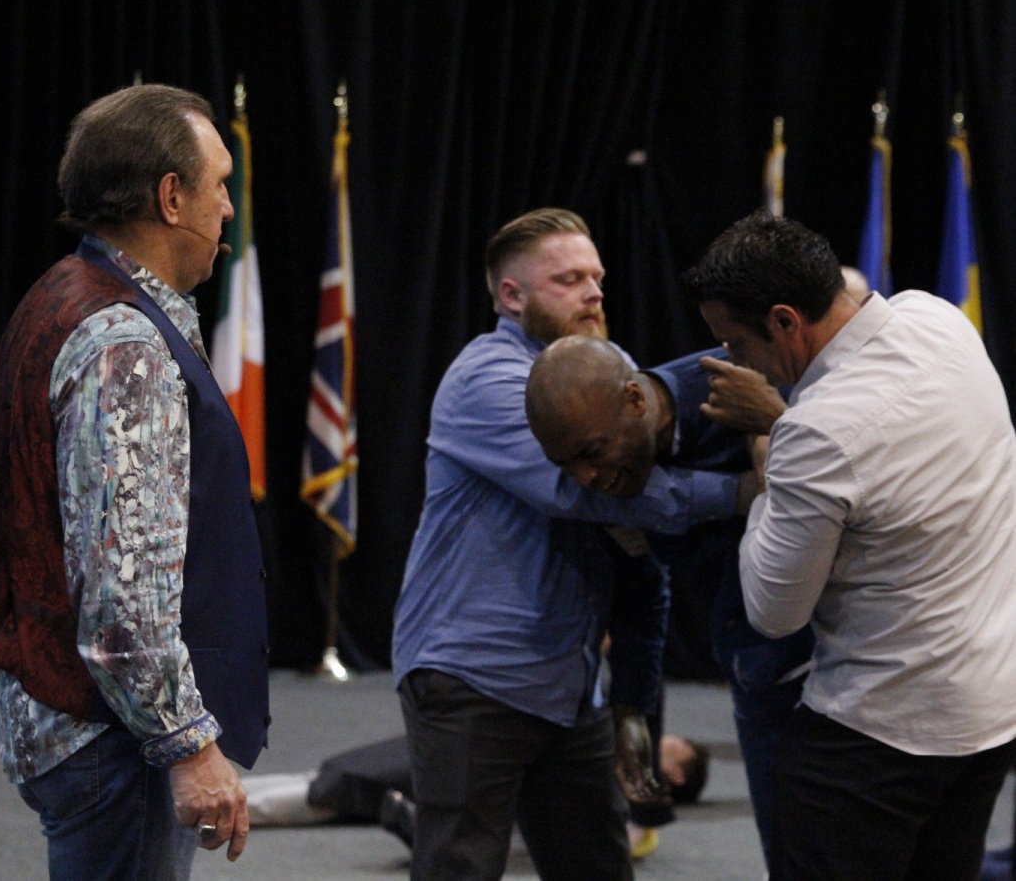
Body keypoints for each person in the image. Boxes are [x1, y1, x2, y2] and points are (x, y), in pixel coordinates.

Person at [391, 207, 750, 880]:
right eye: (568, 280)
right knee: (458, 869)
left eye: (597, 278)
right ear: (511, 295)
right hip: (474, 675)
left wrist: (632, 702)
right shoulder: (488, 380)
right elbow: (593, 492)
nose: (593, 293)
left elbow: (638, 558)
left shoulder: (606, 372)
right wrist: (744, 491)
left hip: (569, 686)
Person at [0, 84, 269, 881]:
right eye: (220, 184)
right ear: (171, 198)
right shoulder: (124, 341)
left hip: (74, 722)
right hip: (113, 740)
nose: (229, 207)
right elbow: (124, 598)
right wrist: (187, 744)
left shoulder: (61, 295)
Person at [680, 211, 1016, 881]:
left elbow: (774, 612)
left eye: (735, 343)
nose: (734, 361)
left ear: (785, 321)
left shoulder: (815, 434)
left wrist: (769, 441)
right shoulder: (939, 318)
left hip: (877, 737)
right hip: (989, 716)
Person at [525, 332, 810, 870]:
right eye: (565, 465)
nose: (585, 478)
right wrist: (631, 713)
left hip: (845, 670)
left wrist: (778, 427)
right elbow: (639, 596)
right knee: (793, 861)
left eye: (591, 454)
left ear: (635, 400)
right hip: (758, 677)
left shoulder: (749, 383)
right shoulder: (616, 477)